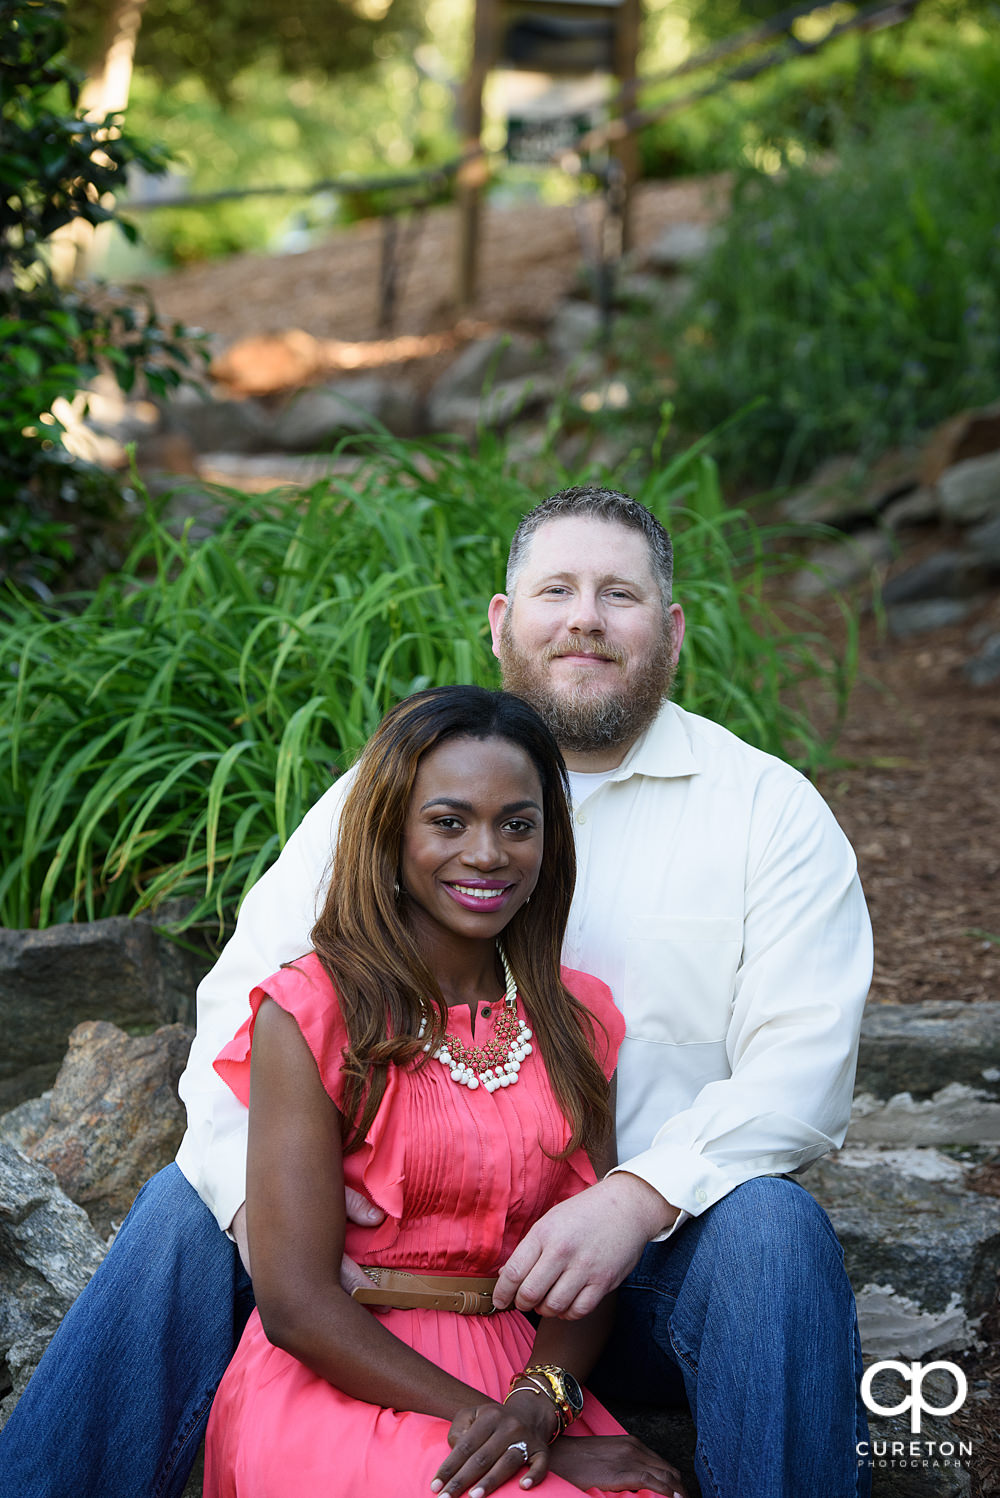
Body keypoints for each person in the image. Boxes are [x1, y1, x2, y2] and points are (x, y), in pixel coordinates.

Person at [0, 486, 872, 1498]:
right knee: (185, 1212)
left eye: (618, 594)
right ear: (504, 622)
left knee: (776, 1231)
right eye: (556, 589)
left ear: (669, 631)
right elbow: (249, 1006)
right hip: (386, 1264)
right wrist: (272, 1226)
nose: (585, 616)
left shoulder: (765, 811)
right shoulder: (398, 782)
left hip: (640, 1271)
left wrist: (637, 1196)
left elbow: (801, 1069)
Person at [202, 683, 682, 1498]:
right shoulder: (312, 1010)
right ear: (391, 834)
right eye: (450, 822)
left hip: (519, 1372)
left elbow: (586, 1266)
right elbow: (294, 1304)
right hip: (349, 1377)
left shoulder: (579, 1020)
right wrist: (507, 1435)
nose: (488, 853)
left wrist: (539, 1405)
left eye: (517, 824)